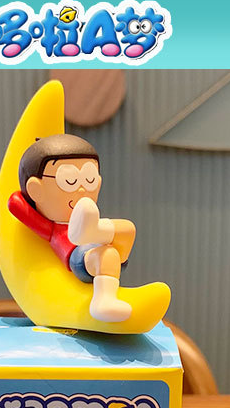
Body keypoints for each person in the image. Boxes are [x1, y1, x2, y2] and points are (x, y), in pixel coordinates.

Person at [8, 134, 135, 323]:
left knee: (128, 229)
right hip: (77, 254)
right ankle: (104, 301)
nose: (82, 189)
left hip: (102, 245)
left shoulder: (88, 215)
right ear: (36, 189)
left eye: (90, 178)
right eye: (69, 180)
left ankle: (92, 231)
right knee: (108, 255)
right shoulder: (52, 229)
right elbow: (14, 203)